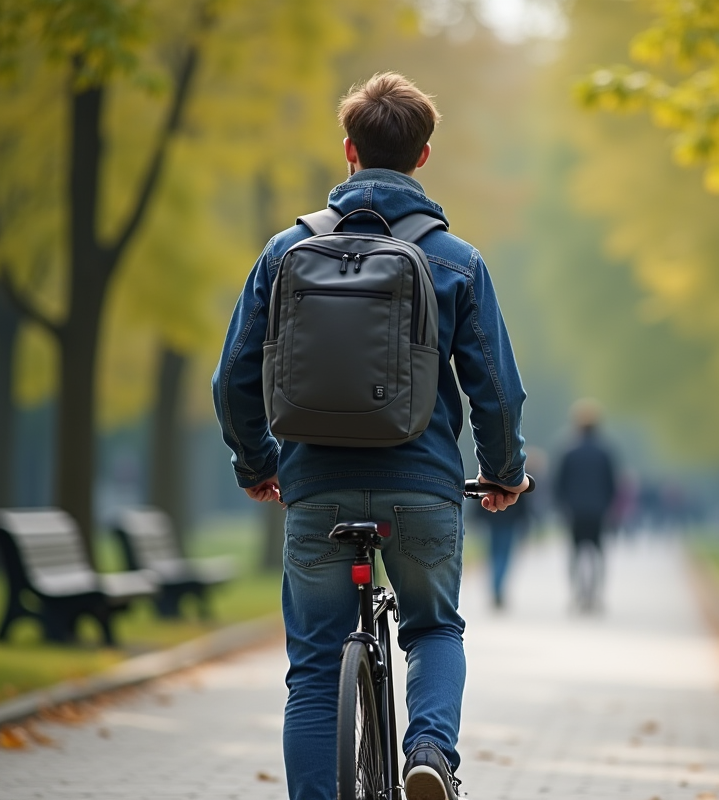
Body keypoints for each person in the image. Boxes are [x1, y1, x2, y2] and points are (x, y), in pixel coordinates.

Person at [212, 72, 529, 800]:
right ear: (423, 157)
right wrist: (503, 472)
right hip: (420, 487)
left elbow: (232, 376)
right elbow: (496, 391)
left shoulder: (283, 252)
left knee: (316, 671)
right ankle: (429, 754)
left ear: (349, 152)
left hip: (315, 487)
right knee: (433, 631)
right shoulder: (457, 261)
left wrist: (258, 463)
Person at [554, 399, 617, 612]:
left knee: (576, 553)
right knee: (597, 554)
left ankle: (577, 593)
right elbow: (612, 484)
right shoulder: (605, 452)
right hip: (597, 510)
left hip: (575, 511)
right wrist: (608, 505)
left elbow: (559, 483)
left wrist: (562, 505)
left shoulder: (568, 451)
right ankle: (595, 594)